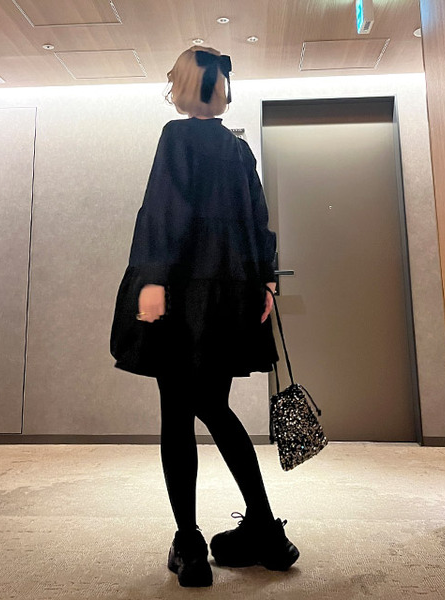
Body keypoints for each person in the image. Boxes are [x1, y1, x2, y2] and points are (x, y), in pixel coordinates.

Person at [110, 46, 299, 587]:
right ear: (221, 89)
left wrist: (151, 281)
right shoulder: (238, 149)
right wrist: (266, 280)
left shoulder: (177, 137)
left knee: (179, 413)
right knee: (214, 406)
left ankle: (191, 546)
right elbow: (259, 221)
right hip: (230, 299)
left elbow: (163, 211)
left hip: (183, 296)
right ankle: (264, 529)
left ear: (183, 87)